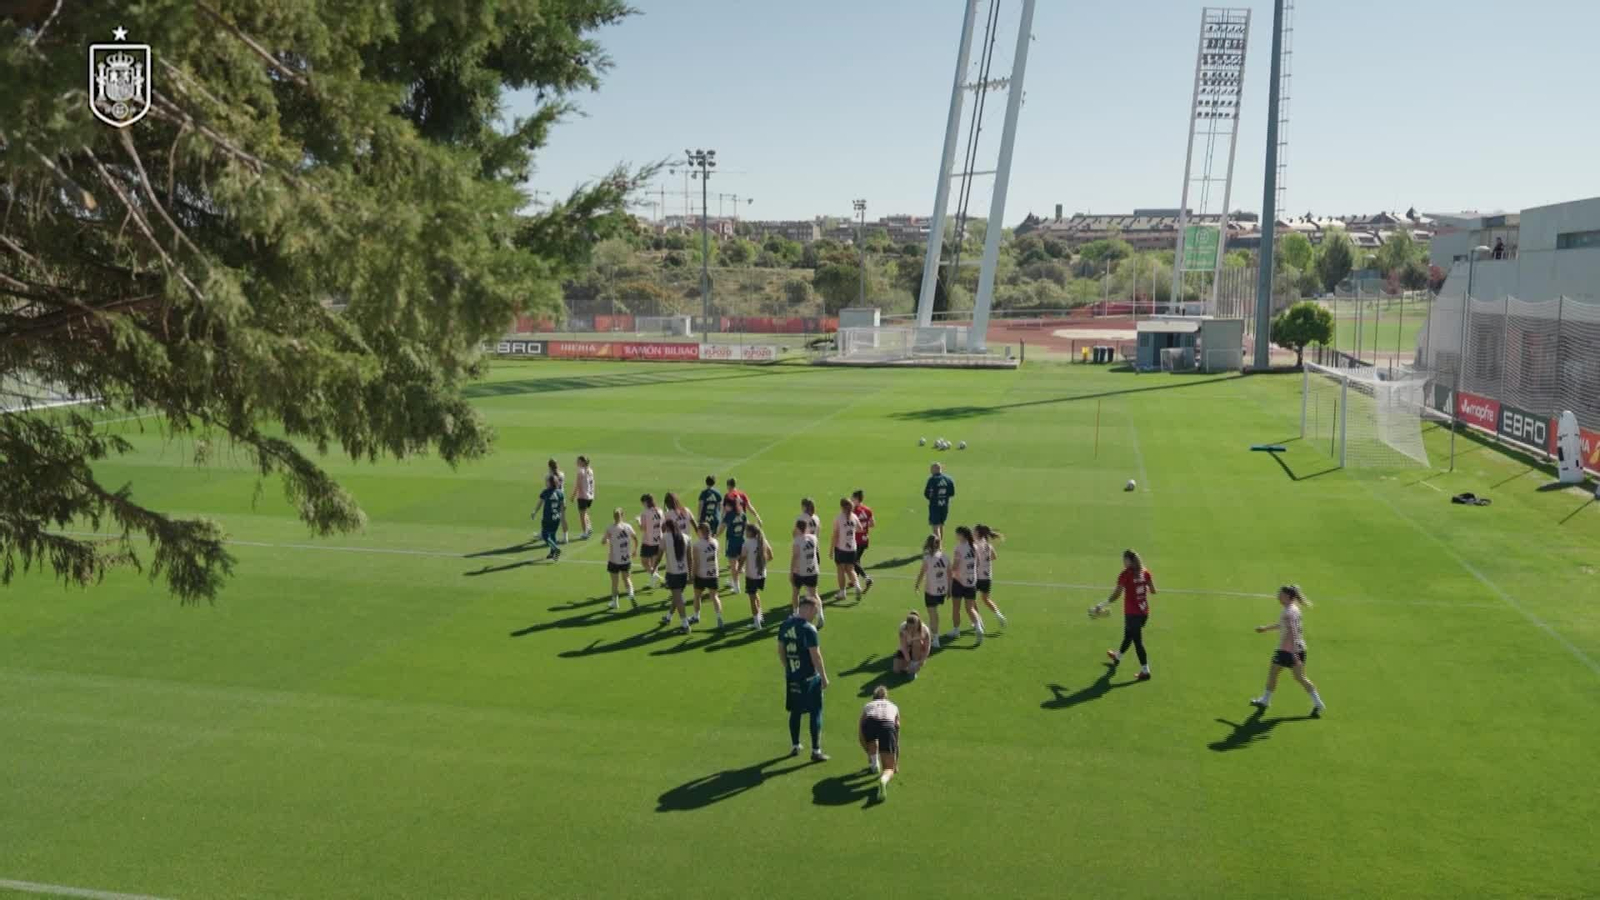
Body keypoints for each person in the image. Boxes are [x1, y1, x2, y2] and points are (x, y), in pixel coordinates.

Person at [1250, 585, 1326, 716]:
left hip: (1288, 650)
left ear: (1288, 596)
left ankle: (1266, 700)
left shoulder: (1288, 612)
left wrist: (1294, 652)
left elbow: (1293, 632)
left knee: (1277, 673)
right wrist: (1266, 628)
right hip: (1297, 648)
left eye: (1280, 594)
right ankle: (1318, 703)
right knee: (1298, 677)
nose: (1278, 596)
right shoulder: (1294, 609)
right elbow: (1284, 626)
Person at [778, 595, 830, 762]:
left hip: (792, 677)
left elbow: (781, 650)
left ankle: (795, 745)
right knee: (816, 712)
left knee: (795, 711)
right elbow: (816, 656)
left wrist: (788, 668)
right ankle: (816, 750)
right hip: (809, 678)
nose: (815, 615)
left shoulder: (785, 625)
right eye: (814, 611)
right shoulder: (809, 629)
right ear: (806, 608)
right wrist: (823, 677)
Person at [1092, 549, 1157, 681]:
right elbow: (1153, 591)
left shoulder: (1126, 575)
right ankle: (1118, 656)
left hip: (1132, 613)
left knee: (1137, 642)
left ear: (1130, 561)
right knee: (1128, 635)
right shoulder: (1145, 572)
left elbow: (1116, 595)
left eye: (1124, 559)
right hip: (1144, 613)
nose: (1123, 561)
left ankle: (1145, 670)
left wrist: (1101, 605)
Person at [858, 686, 900, 801]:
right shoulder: (894, 706)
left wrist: (868, 753)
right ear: (886, 697)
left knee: (871, 739)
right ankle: (883, 779)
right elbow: (896, 735)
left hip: (870, 723)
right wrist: (895, 763)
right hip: (887, 726)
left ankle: (874, 764)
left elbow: (861, 730)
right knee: (889, 768)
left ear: (874, 698)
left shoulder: (868, 706)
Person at [912, 534, 949, 650]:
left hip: (931, 590)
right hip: (942, 589)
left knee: (932, 614)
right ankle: (935, 634)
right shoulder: (945, 556)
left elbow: (922, 573)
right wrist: (950, 589)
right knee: (935, 613)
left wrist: (917, 584)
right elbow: (950, 573)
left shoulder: (927, 558)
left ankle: (935, 639)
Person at [948, 525, 985, 644]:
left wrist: (948, 573)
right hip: (972, 581)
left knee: (956, 607)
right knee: (970, 608)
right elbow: (978, 562)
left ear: (962, 535)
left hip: (959, 581)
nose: (956, 536)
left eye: (957, 534)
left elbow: (955, 565)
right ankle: (978, 627)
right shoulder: (974, 546)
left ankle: (956, 630)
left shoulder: (959, 548)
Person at [829, 497, 864, 605]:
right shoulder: (854, 517)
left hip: (841, 548)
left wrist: (831, 550)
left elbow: (835, 535)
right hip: (852, 548)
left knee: (840, 569)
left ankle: (842, 592)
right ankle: (857, 586)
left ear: (841, 507)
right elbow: (860, 528)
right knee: (850, 569)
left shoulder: (838, 518)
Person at [659, 519, 692, 632]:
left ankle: (685, 625)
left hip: (673, 574)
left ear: (667, 527)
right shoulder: (686, 537)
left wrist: (654, 567)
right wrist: (691, 574)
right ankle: (668, 617)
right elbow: (690, 558)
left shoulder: (665, 537)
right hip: (683, 573)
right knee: (677, 596)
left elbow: (659, 555)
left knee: (678, 599)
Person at [601, 507, 637, 610]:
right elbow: (635, 538)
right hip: (626, 558)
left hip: (614, 560)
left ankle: (615, 602)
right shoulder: (628, 527)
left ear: (613, 516)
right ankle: (631, 594)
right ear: (623, 515)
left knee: (614, 583)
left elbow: (603, 541)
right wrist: (635, 550)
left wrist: (607, 541)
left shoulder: (610, 528)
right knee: (627, 578)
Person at [689, 522, 724, 629]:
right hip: (713, 573)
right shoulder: (716, 542)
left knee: (697, 596)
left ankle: (696, 616)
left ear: (701, 531)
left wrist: (692, 576)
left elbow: (696, 562)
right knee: (714, 596)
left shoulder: (697, 545)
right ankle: (719, 618)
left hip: (701, 574)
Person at [790, 517, 823, 626]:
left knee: (796, 592)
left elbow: (795, 557)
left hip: (800, 572)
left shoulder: (797, 541)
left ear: (797, 528)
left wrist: (791, 572)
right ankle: (820, 615)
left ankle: (795, 613)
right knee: (814, 594)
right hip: (813, 571)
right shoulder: (813, 538)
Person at [974, 524, 1008, 629]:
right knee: (986, 599)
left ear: (978, 533)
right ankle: (999, 615)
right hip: (987, 577)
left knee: (970, 600)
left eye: (974, 531)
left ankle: (978, 621)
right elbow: (994, 556)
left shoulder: (975, 545)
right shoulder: (988, 545)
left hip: (976, 577)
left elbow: (975, 561)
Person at [743, 522, 774, 630]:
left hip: (751, 575)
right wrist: (762, 563)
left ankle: (756, 623)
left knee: (752, 599)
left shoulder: (747, 543)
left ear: (751, 532)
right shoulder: (763, 541)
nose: (745, 532)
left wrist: (738, 569)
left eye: (746, 531)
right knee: (756, 594)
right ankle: (760, 617)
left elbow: (742, 558)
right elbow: (771, 556)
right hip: (762, 574)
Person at [531, 475, 564, 561]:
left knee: (545, 535)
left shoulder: (545, 492)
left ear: (549, 483)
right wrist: (561, 516)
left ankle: (556, 549)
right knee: (553, 535)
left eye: (546, 481)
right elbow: (563, 506)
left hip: (547, 518)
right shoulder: (560, 493)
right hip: (556, 518)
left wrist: (534, 512)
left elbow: (540, 503)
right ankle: (552, 553)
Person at [721, 495, 749, 594]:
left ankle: (737, 587)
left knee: (733, 566)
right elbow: (747, 527)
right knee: (738, 565)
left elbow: (722, 527)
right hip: (741, 541)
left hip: (732, 543)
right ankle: (733, 581)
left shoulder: (729, 515)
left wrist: (715, 535)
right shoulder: (743, 514)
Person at [850, 490, 875, 595]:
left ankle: (867, 578)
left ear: (856, 499)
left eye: (852, 498)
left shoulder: (854, 511)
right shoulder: (868, 510)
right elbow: (872, 524)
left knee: (853, 560)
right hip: (865, 539)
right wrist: (865, 526)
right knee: (857, 560)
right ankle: (853, 581)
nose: (851, 500)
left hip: (856, 540)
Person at [638, 494, 665, 589]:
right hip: (659, 540)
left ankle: (655, 576)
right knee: (654, 563)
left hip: (648, 541)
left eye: (643, 503)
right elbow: (663, 525)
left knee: (644, 562)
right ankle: (652, 583)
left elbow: (643, 528)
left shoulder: (645, 513)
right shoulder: (660, 511)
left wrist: (638, 522)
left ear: (646, 502)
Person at [923, 463, 955, 543]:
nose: (930, 471)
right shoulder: (949, 479)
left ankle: (938, 547)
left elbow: (927, 493)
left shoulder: (932, 480)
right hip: (944, 505)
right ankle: (940, 543)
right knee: (941, 525)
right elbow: (952, 493)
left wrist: (933, 498)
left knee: (935, 526)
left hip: (935, 506)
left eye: (931, 469)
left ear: (935, 469)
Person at [894, 610, 931, 678]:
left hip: (918, 651)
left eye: (913, 627)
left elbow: (927, 647)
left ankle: (914, 665)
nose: (911, 629)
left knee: (916, 642)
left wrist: (923, 659)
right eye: (909, 627)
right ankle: (910, 665)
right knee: (897, 670)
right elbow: (903, 646)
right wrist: (908, 660)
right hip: (907, 649)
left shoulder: (925, 630)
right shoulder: (903, 628)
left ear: (918, 624)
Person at [573, 456, 596, 540]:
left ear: (582, 462)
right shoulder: (590, 470)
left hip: (583, 496)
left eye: (578, 461)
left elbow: (578, 485)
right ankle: (589, 528)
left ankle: (585, 532)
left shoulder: (581, 471)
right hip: (590, 496)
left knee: (582, 515)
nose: (577, 463)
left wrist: (573, 495)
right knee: (585, 512)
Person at [547, 459, 570, 544]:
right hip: (562, 498)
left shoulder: (549, 476)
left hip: (553, 499)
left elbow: (548, 488)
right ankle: (565, 538)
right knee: (563, 519)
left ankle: (549, 536)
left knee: (550, 519)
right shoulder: (562, 474)